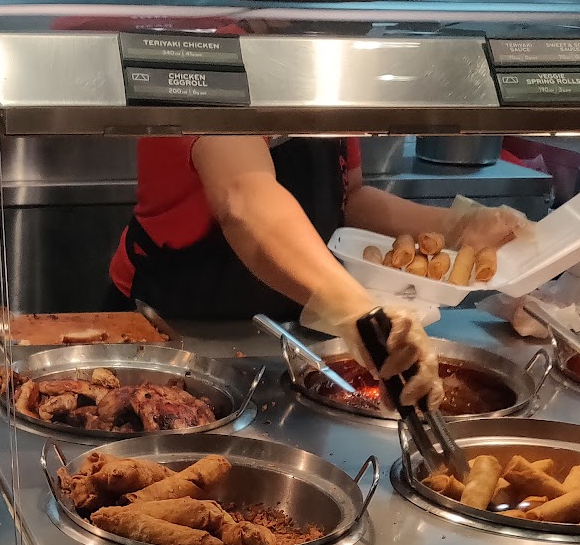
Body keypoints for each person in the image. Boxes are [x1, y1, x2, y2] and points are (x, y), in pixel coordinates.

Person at [107, 134, 530, 406]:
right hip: (176, 332)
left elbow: (351, 197)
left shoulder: (319, 74)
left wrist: (456, 227)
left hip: (290, 334)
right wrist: (360, 313)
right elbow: (244, 198)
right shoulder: (211, 58)